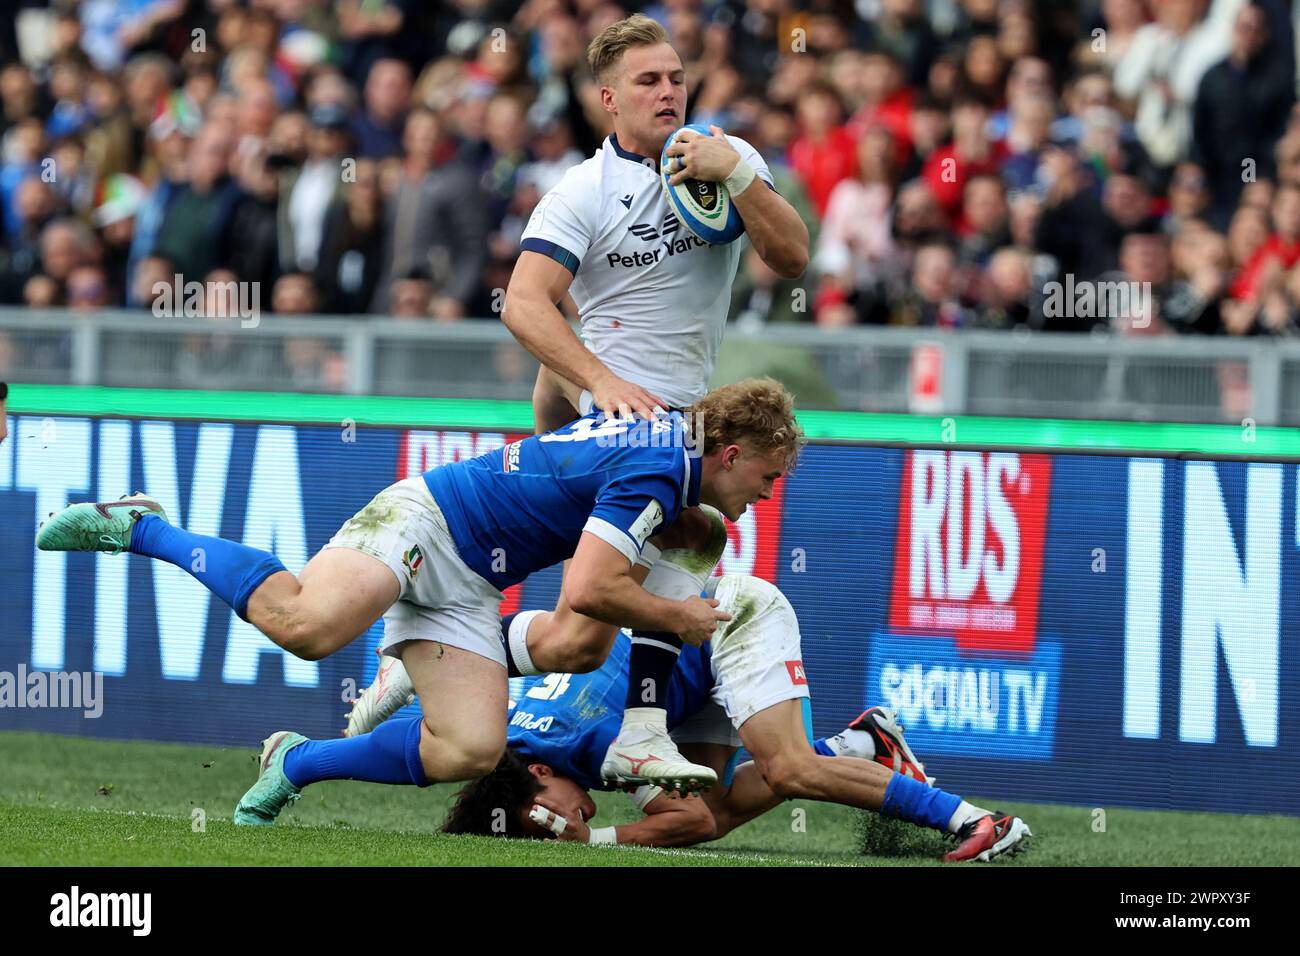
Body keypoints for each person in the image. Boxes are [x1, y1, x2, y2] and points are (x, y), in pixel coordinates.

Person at [350, 14, 811, 790]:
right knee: (695, 533)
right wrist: (596, 383)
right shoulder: (582, 190)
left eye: (675, 77)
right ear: (608, 98)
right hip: (620, 423)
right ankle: (641, 731)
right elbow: (525, 304)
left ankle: (429, 663)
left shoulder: (725, 158)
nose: (667, 92)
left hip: (676, 421)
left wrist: (734, 170)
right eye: (647, 81)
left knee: (579, 642)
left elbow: (792, 255)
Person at [35, 379, 801, 818]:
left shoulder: (667, 449)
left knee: (470, 749)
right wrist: (680, 617)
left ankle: (301, 762)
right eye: (766, 477)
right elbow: (589, 587)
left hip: (470, 580)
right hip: (428, 521)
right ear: (728, 454)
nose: (767, 495)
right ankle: (143, 528)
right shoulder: (660, 468)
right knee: (305, 626)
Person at [437, 574, 1030, 863]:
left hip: (728, 619)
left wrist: (595, 838)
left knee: (789, 770)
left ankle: (979, 821)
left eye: (546, 817)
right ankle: (861, 745)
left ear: (538, 772)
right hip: (674, 664)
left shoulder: (590, 744)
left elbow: (684, 822)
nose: (564, 822)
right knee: (716, 809)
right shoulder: (500, 735)